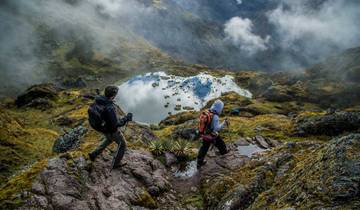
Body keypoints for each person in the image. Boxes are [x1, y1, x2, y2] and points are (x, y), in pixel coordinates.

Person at [88, 85, 133, 169]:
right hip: (111, 130)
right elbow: (116, 124)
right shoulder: (109, 108)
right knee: (122, 145)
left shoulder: (98, 100)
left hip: (101, 128)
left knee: (109, 139)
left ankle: (94, 154)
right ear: (113, 95)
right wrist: (126, 118)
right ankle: (116, 164)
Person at [197, 99, 229, 169]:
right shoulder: (215, 116)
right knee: (221, 144)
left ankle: (199, 162)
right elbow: (216, 128)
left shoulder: (208, 111)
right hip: (212, 135)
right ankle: (225, 156)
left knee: (204, 148)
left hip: (204, 135)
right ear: (219, 108)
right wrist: (224, 123)